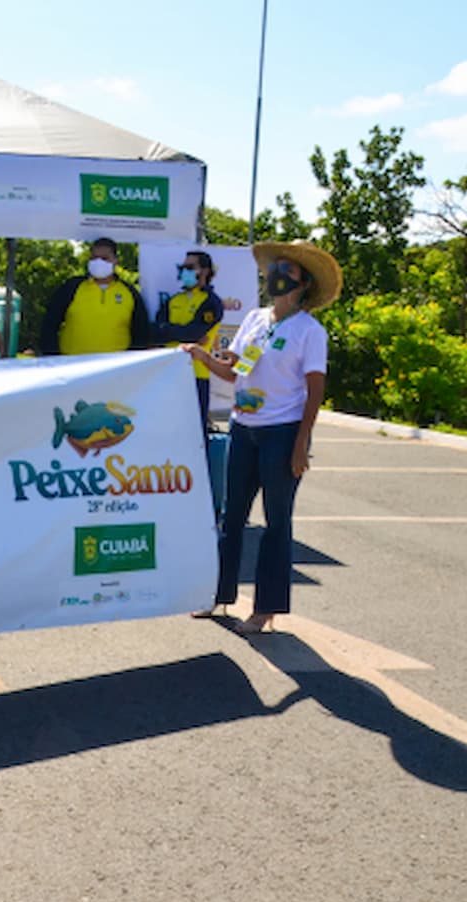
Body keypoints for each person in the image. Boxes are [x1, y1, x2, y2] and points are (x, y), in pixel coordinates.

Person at [182, 239, 339, 635]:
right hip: (244, 429)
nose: (278, 276)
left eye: (289, 272)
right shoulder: (254, 320)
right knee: (231, 517)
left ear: (303, 285)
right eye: (276, 269)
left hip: (282, 434)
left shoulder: (309, 331)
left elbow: (315, 389)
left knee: (276, 521)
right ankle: (218, 595)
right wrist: (202, 357)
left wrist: (302, 442)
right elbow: (233, 372)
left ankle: (266, 609)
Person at [39, 238, 149, 355]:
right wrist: (52, 356)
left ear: (116, 261)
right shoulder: (72, 287)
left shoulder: (129, 292)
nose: (99, 262)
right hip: (74, 366)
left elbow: (140, 333)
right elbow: (49, 323)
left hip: (116, 368)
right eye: (94, 258)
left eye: (104, 258)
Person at [155, 250, 224, 428]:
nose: (184, 271)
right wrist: (180, 333)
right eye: (183, 267)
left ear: (205, 271)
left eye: (190, 267)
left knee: (195, 431)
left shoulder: (211, 302)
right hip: (167, 373)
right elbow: (156, 331)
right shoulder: (173, 300)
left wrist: (169, 330)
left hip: (195, 374)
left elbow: (192, 333)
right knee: (167, 428)